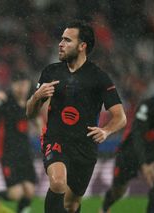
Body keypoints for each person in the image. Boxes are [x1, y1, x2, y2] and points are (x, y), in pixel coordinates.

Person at [26, 20, 127, 213]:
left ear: (82, 46)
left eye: (67, 40)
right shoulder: (51, 72)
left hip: (85, 147)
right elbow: (30, 113)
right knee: (57, 183)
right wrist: (37, 97)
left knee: (71, 205)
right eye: (61, 39)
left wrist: (106, 131)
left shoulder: (99, 77)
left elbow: (120, 117)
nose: (60, 44)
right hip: (56, 139)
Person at [100, 75, 154, 213]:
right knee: (118, 190)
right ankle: (105, 208)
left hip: (152, 149)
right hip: (131, 150)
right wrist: (144, 164)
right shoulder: (148, 106)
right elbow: (137, 135)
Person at [0, 72, 37, 213]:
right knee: (16, 193)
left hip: (25, 152)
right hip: (8, 152)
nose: (21, 88)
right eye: (18, 84)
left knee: (29, 190)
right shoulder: (5, 100)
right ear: (12, 85)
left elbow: (36, 120)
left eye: (24, 84)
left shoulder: (31, 101)